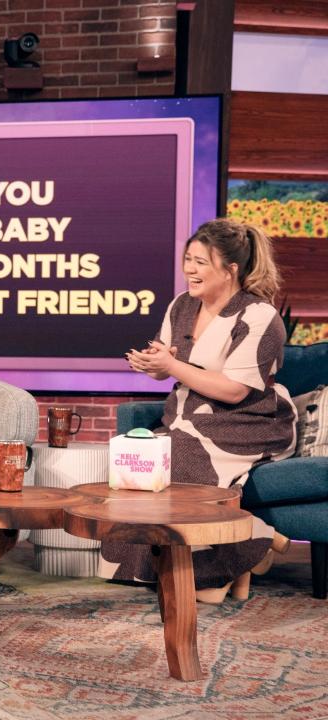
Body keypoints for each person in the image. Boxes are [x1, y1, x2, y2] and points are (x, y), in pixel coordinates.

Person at [113, 218, 296, 603]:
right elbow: (172, 364)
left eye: (200, 262)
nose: (189, 270)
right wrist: (154, 364)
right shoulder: (181, 306)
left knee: (178, 460)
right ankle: (257, 537)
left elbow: (234, 390)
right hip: (185, 415)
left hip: (248, 421)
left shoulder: (259, 316)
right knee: (139, 468)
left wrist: (173, 367)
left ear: (230, 270)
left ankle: (234, 557)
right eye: (188, 259)